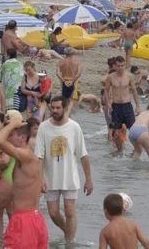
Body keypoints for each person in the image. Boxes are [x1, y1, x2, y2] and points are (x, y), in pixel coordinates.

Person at [34, 96, 93, 243]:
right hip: (50, 178)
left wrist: (89, 179)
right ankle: (69, 233)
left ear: (65, 108)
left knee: (69, 211)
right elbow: (39, 156)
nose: (54, 110)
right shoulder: (43, 127)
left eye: (58, 108)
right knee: (53, 213)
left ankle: (69, 242)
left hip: (69, 177)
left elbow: (83, 155)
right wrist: (39, 178)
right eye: (52, 108)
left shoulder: (74, 127)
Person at [0, 111, 48, 249]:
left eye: (11, 135)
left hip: (24, 222)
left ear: (22, 137)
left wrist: (13, 124)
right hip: (35, 219)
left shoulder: (25, 155)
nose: (8, 138)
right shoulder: (28, 157)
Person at [104, 56, 142, 154]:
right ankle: (120, 150)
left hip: (127, 106)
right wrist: (108, 104)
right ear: (115, 66)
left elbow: (134, 91)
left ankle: (135, 150)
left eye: (122, 65)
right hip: (116, 107)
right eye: (118, 66)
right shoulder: (110, 77)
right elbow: (106, 91)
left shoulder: (129, 76)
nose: (120, 68)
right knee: (116, 133)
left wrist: (138, 106)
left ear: (124, 65)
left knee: (133, 131)